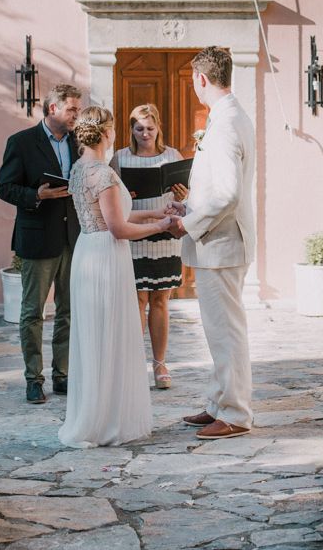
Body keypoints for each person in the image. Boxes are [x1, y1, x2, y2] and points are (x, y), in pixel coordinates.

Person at [57, 106, 172, 448]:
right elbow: (119, 227)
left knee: (94, 338)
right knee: (108, 334)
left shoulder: (79, 169)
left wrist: (155, 210)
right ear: (107, 132)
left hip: (88, 252)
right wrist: (161, 227)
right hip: (107, 255)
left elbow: (115, 214)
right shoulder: (103, 174)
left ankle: (94, 412)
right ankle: (106, 420)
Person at [167, 46, 256, 440]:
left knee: (226, 330)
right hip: (221, 242)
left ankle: (235, 412)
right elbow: (216, 191)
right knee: (218, 328)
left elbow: (227, 194)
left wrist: (186, 223)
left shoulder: (223, 125)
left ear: (202, 79)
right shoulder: (230, 116)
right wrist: (188, 203)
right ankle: (219, 401)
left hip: (221, 245)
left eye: (192, 81)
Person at [0, 84, 82, 404]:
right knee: (32, 313)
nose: (76, 115)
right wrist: (36, 195)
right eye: (72, 109)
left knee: (69, 311)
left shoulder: (79, 142)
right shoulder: (20, 143)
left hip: (72, 238)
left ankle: (63, 375)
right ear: (52, 109)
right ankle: (34, 378)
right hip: (36, 237)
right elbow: (4, 188)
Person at [110, 103, 187, 389]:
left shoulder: (171, 155)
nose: (145, 134)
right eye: (139, 128)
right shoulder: (120, 157)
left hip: (165, 234)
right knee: (137, 301)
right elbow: (110, 197)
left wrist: (183, 192)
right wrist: (124, 194)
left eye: (150, 129)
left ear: (158, 129)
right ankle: (134, 365)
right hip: (135, 232)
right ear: (131, 129)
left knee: (160, 301)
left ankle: (160, 363)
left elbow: (187, 192)